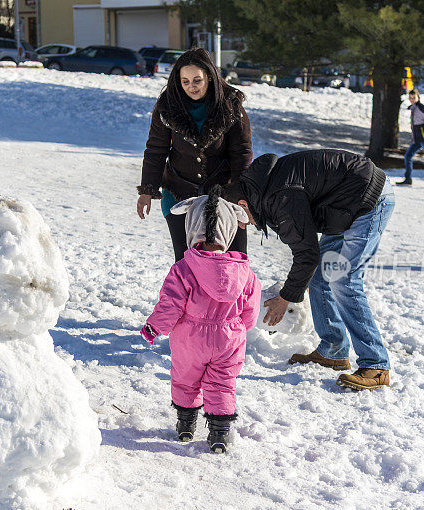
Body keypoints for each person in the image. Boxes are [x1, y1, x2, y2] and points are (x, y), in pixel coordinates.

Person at [224, 149, 395, 391]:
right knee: (320, 278)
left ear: (242, 204)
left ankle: (376, 364)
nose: (242, 224)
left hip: (370, 200)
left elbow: (307, 255)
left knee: (343, 280)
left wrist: (285, 298)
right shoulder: (268, 190)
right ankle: (334, 350)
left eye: (238, 217)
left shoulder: (279, 196)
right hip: (347, 203)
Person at [140, 186, 261, 453]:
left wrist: (154, 327)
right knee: (222, 383)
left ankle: (185, 425)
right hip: (229, 337)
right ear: (230, 229)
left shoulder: (183, 268)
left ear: (192, 225)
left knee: (185, 378)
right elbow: (251, 310)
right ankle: (219, 433)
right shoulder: (244, 272)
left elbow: (170, 304)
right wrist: (242, 326)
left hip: (189, 337)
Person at [136, 48, 253, 262]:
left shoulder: (231, 106)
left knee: (234, 260)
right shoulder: (167, 106)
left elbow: (241, 154)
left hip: (224, 197)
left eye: (197, 80)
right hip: (179, 194)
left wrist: (241, 196)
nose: (192, 87)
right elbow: (156, 150)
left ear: (209, 76)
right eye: (185, 81)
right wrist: (147, 190)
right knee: (187, 263)